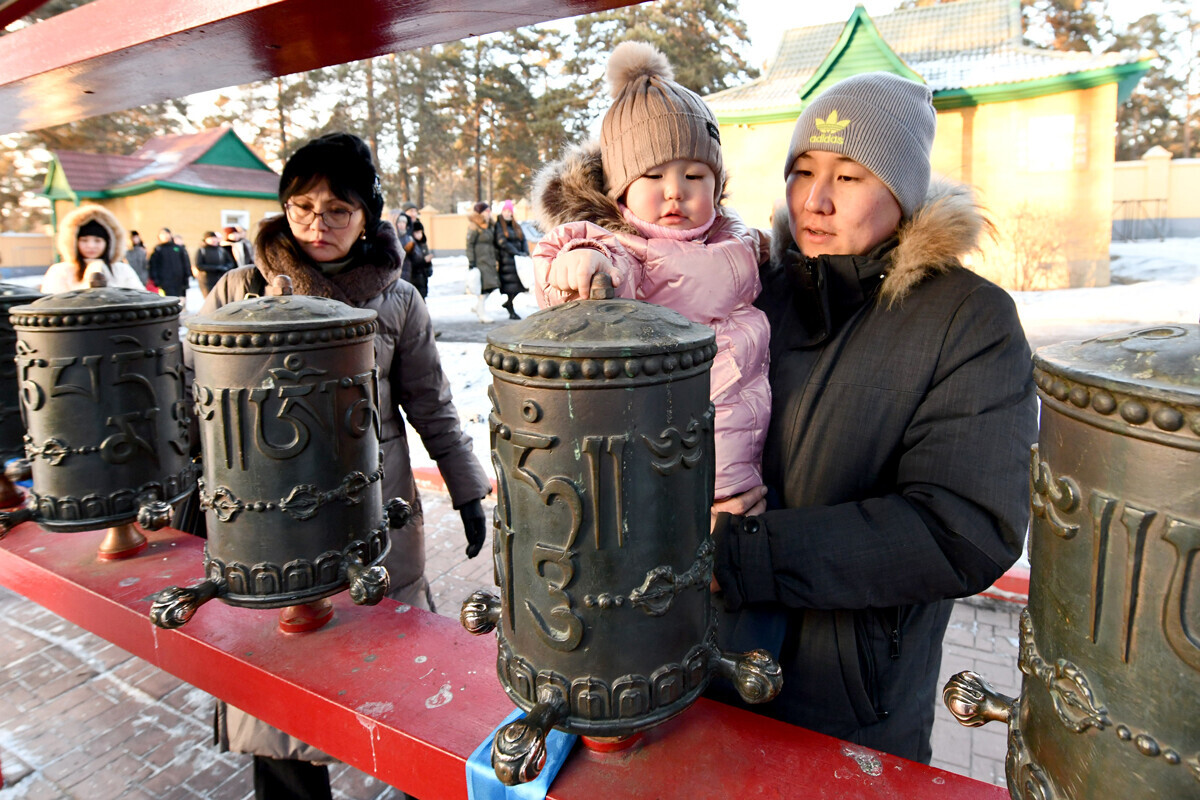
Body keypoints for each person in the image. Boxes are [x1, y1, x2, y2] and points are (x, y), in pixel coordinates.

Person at [707, 72, 1038, 764]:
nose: (815, 200)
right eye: (802, 171)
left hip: (844, 713)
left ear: (904, 193)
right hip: (707, 676)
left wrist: (741, 555)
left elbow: (964, 527)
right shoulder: (754, 292)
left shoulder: (968, 321)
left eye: (851, 177)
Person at [199, 132, 492, 799]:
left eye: (337, 209)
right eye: (302, 207)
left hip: (374, 511)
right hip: (271, 521)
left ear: (367, 214)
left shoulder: (396, 300)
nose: (317, 224)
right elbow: (201, 406)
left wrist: (466, 488)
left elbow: (432, 404)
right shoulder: (240, 292)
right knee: (280, 687)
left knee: (397, 680)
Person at [532, 41, 771, 502]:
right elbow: (586, 260)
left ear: (718, 188)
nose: (675, 192)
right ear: (621, 191)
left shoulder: (741, 245)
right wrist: (581, 262)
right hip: (662, 469)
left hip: (743, 469)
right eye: (654, 176)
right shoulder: (626, 251)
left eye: (694, 176)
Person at [41, 204, 146, 293]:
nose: (91, 246)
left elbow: (141, 298)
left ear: (109, 243)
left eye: (97, 240)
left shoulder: (122, 270)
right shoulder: (60, 271)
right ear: (73, 241)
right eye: (84, 240)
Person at [492, 200, 528, 320]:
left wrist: (525, 252)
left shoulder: (515, 225)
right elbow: (502, 242)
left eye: (509, 211)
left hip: (518, 261)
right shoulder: (499, 225)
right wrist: (516, 253)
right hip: (506, 261)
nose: (507, 214)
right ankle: (511, 309)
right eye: (505, 211)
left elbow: (523, 239)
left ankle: (508, 304)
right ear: (502, 212)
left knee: (520, 286)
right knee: (510, 287)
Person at [465, 201, 500, 323]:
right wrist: (471, 262)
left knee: (491, 286)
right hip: (480, 262)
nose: (489, 213)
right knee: (483, 289)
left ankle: (478, 307)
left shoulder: (490, 225)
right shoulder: (474, 226)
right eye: (486, 211)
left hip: (489, 260)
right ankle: (482, 313)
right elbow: (469, 245)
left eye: (489, 211)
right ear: (480, 213)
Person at [148, 227, 192, 297]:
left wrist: (187, 276)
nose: (165, 236)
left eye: (167, 234)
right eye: (162, 234)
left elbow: (185, 263)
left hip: (179, 281)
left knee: (179, 300)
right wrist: (156, 280)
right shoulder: (157, 250)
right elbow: (153, 266)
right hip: (164, 282)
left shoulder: (178, 248)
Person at [403, 203, 433, 300]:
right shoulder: (404, 230)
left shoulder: (418, 226)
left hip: (421, 274)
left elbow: (424, 247)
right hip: (410, 274)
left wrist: (428, 265)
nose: (413, 214)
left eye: (415, 211)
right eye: (410, 211)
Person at [194, 230, 235, 298]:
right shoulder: (202, 251)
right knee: (210, 299)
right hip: (207, 280)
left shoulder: (221, 250)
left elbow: (230, 262)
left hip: (220, 278)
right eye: (210, 238)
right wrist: (216, 268)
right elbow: (199, 265)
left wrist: (226, 267)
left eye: (214, 238)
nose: (213, 240)